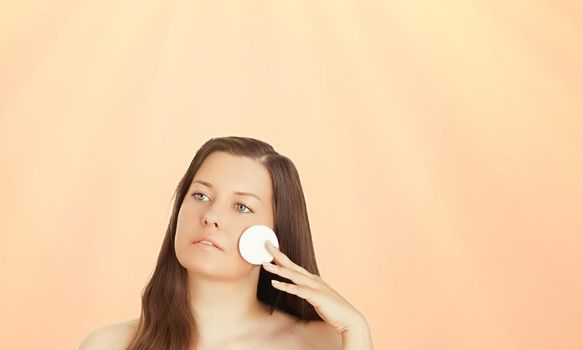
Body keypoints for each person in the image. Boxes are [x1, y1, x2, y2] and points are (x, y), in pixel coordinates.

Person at [79, 136, 374, 350]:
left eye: (242, 207)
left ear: (274, 235)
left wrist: (357, 331)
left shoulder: (323, 343)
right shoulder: (109, 345)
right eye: (201, 196)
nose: (211, 216)